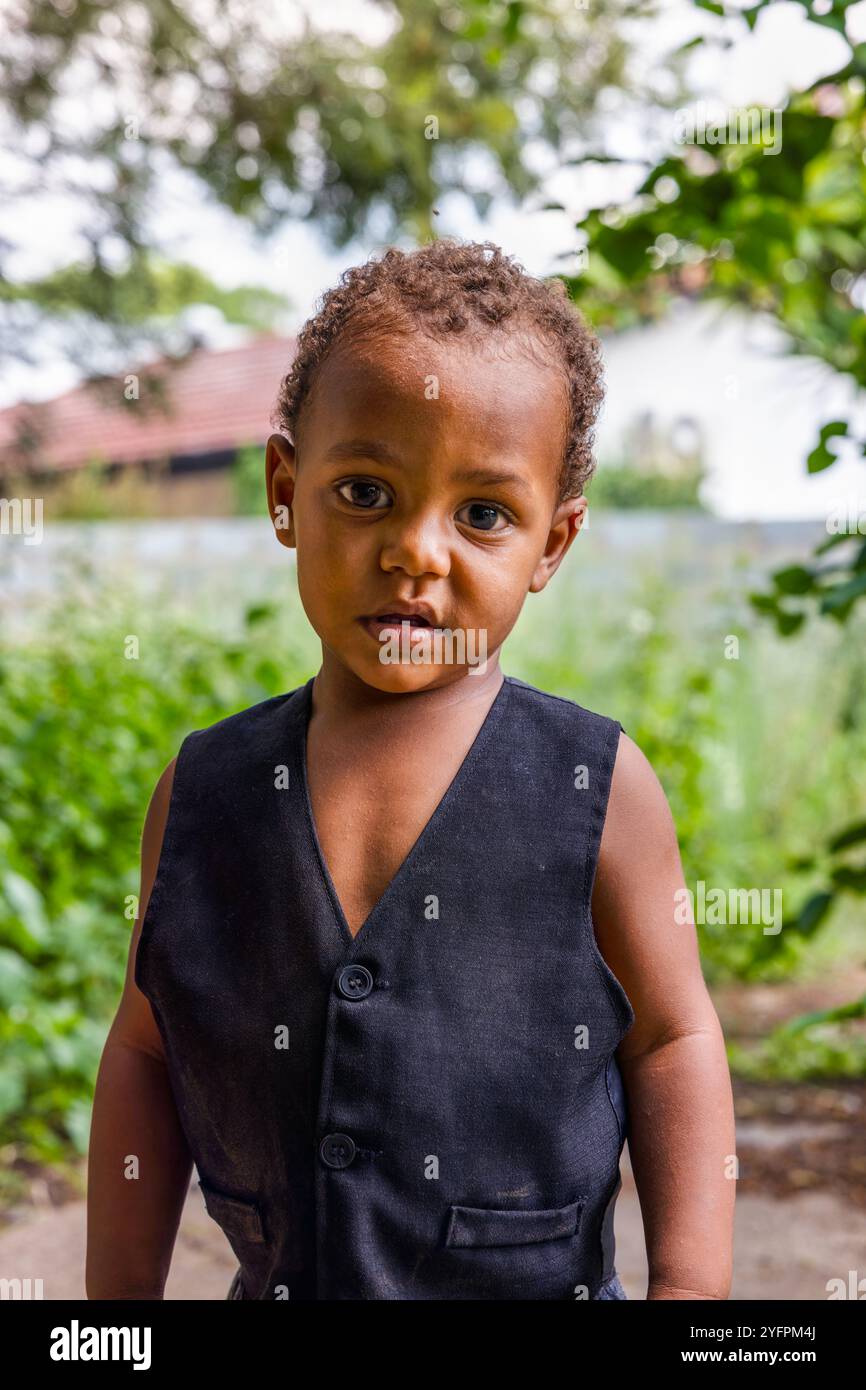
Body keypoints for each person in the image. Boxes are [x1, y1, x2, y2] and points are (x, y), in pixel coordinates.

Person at [86, 238, 735, 1301]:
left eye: (482, 514)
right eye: (364, 491)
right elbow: (150, 1048)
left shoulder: (594, 784)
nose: (416, 552)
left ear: (552, 544)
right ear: (284, 488)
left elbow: (672, 1039)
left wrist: (690, 1291)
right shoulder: (206, 791)